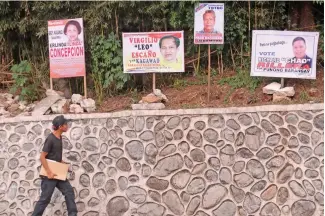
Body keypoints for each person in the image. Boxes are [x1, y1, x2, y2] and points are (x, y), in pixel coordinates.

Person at [31, 115, 77, 216]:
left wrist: (63, 163)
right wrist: (49, 172)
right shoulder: (50, 139)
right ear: (60, 126)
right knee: (45, 199)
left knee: (69, 192)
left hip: (58, 172)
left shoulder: (60, 137)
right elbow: (42, 157)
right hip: (49, 175)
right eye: (65, 124)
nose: (67, 126)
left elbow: (55, 156)